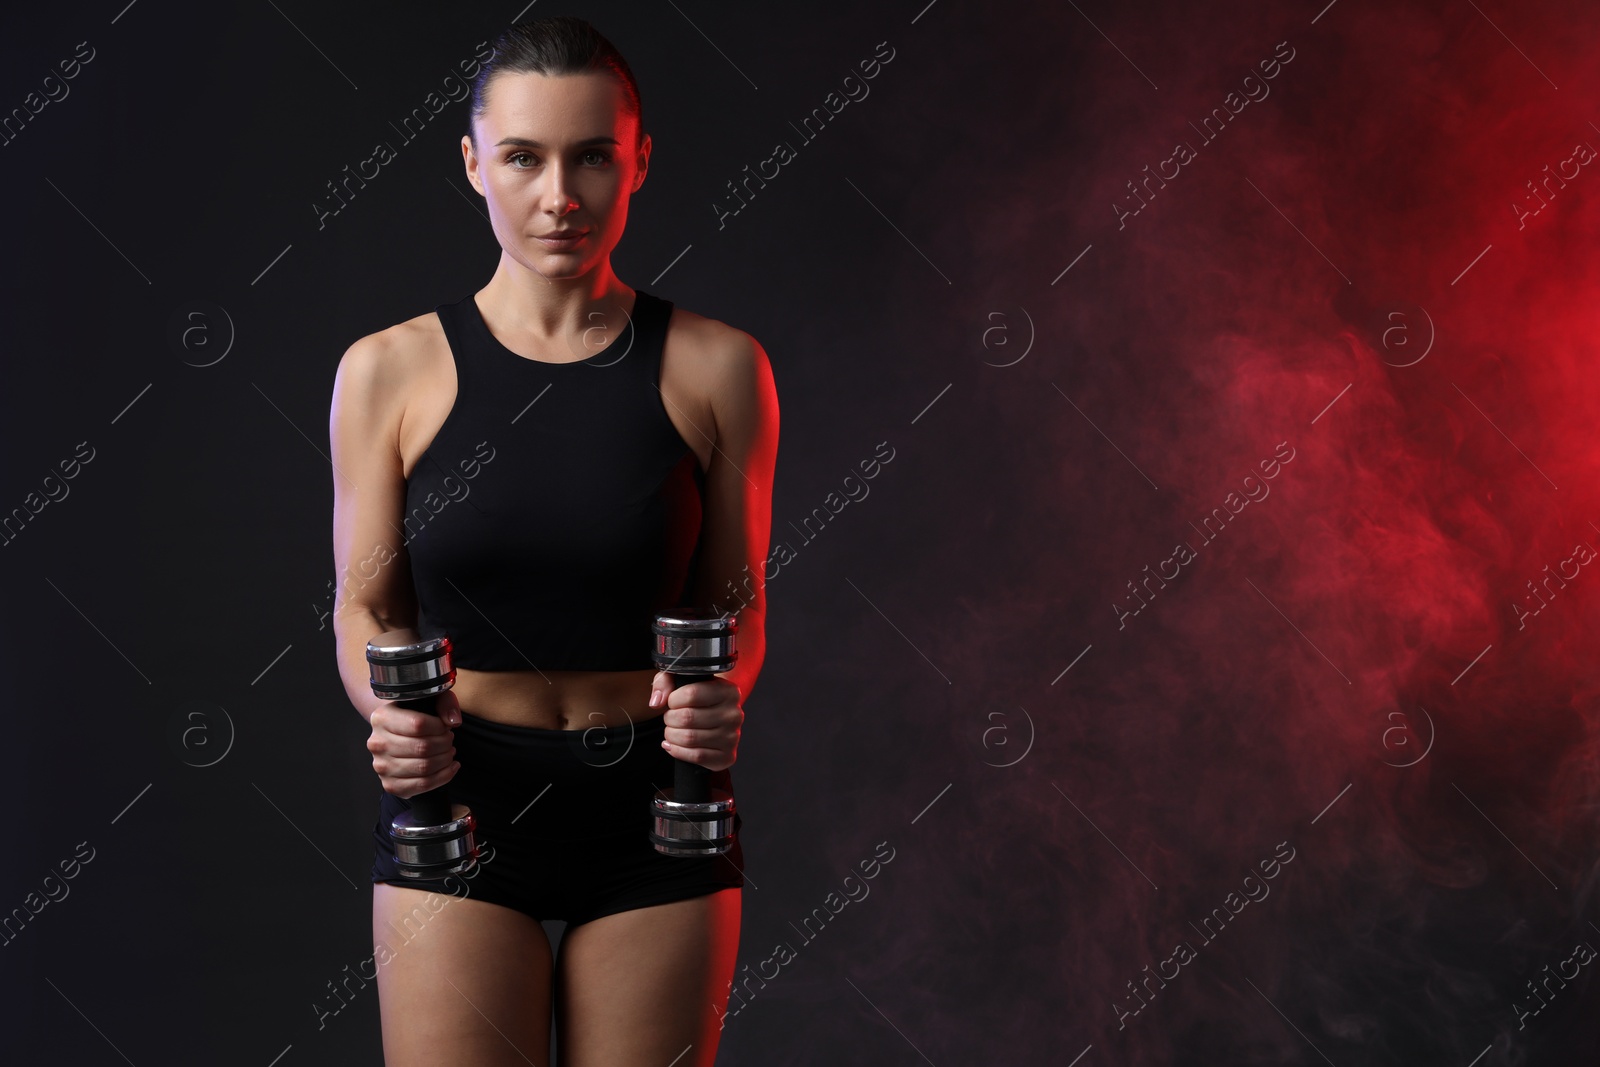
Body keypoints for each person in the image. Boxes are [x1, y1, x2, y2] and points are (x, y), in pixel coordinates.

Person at [327, 16, 779, 1066]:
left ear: (639, 161)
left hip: (654, 810)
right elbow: (365, 605)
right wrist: (381, 709)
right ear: (473, 160)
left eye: (592, 157)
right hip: (459, 793)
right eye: (524, 157)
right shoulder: (385, 371)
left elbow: (737, 601)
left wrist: (725, 691)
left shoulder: (720, 367)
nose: (559, 196)